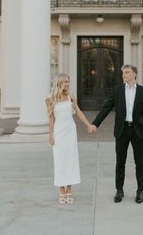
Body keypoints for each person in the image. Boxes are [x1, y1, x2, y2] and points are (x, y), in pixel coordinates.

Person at [90, 64, 143, 204]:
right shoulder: (117, 90)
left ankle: (140, 191)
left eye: (127, 72)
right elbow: (106, 107)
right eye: (123, 72)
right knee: (120, 163)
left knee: (139, 163)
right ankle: (119, 190)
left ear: (134, 74)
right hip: (122, 130)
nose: (124, 74)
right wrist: (95, 124)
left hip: (138, 132)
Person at [46, 73, 93, 204]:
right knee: (60, 160)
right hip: (59, 132)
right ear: (59, 82)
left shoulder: (71, 96)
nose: (67, 84)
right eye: (65, 82)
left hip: (70, 132)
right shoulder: (50, 99)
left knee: (71, 160)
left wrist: (88, 124)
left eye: (68, 82)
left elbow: (78, 112)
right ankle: (61, 190)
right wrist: (50, 134)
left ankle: (69, 190)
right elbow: (50, 118)